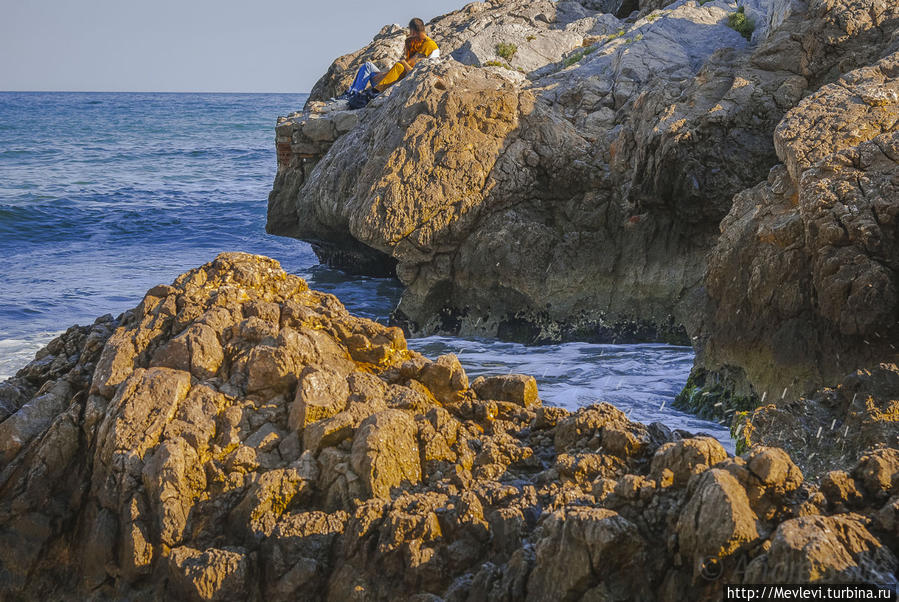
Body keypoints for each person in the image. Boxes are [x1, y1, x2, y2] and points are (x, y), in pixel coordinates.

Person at [345, 18, 440, 96]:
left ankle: (353, 93)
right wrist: (384, 74)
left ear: (413, 31)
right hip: (389, 78)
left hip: (390, 85)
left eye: (411, 32)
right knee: (368, 66)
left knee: (369, 67)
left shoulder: (429, 47)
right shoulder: (421, 44)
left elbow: (414, 72)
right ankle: (353, 92)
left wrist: (402, 63)